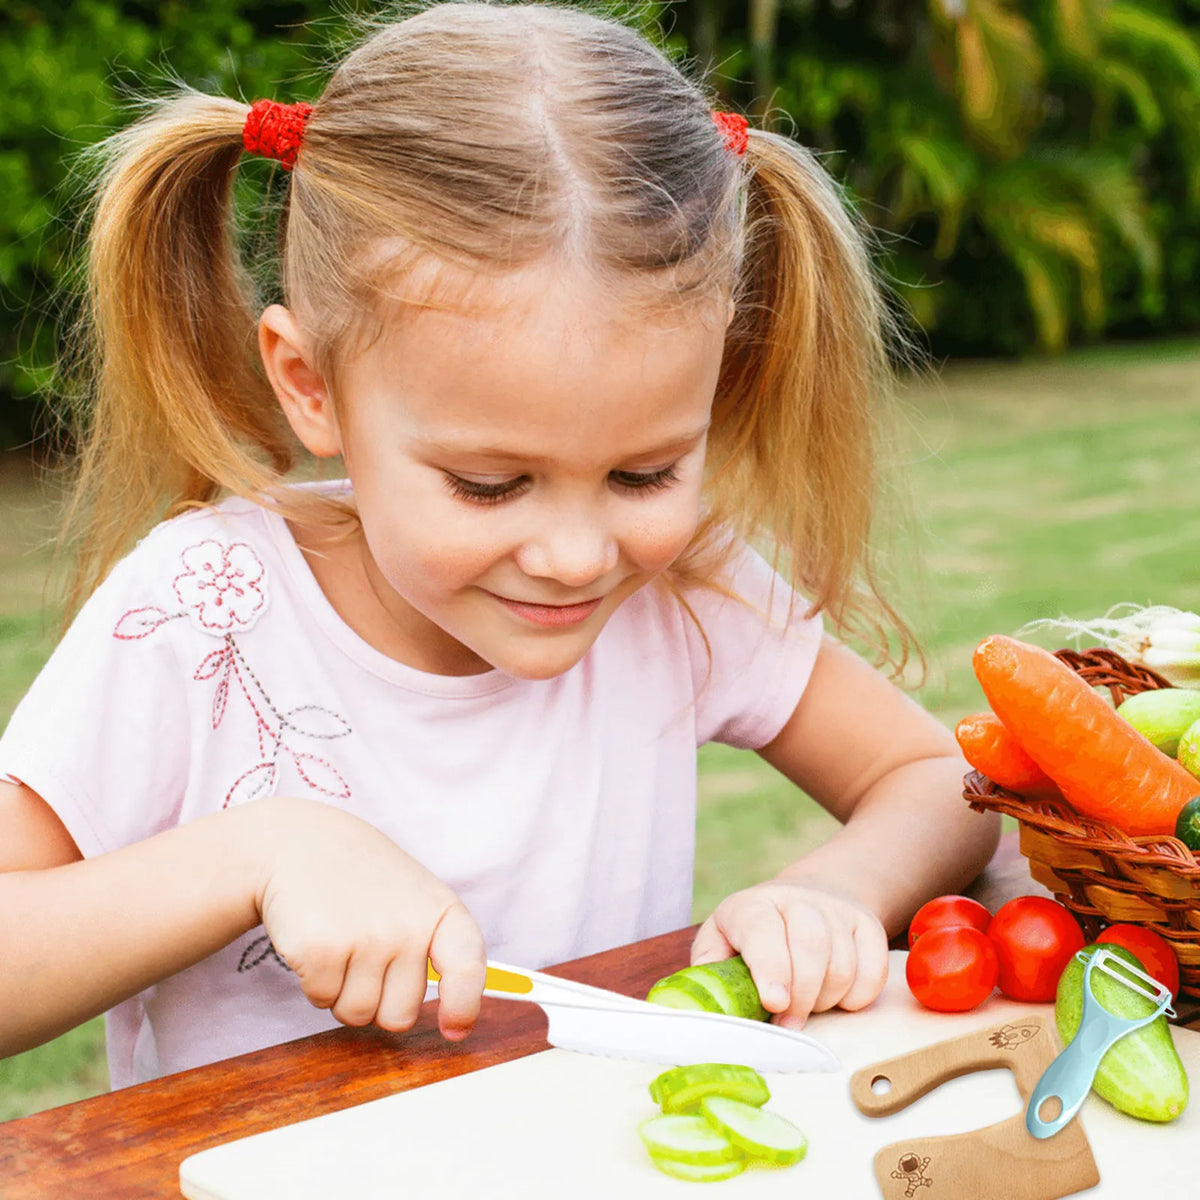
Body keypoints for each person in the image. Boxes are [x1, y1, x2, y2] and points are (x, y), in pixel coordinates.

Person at [0, 0, 998, 1091]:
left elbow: (938, 778)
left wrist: (839, 890)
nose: (577, 555)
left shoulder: (680, 592)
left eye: (645, 473)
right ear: (310, 386)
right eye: (489, 485)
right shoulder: (202, 608)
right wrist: (256, 853)